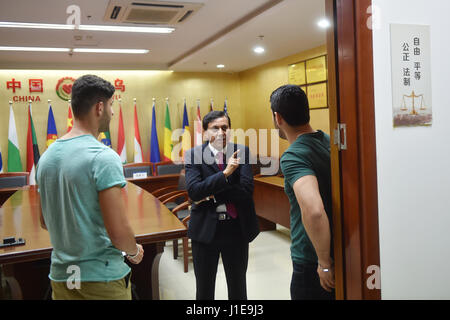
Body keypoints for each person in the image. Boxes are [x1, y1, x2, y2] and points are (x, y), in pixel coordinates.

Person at [36, 74, 144, 300]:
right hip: (101, 279)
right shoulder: (103, 156)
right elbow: (118, 232)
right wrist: (133, 251)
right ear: (99, 107)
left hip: (61, 277)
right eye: (111, 105)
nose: (113, 112)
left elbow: (44, 221)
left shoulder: (46, 158)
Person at [184, 111, 259, 300]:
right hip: (205, 230)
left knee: (238, 288)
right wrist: (225, 174)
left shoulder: (242, 151)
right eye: (215, 128)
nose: (221, 132)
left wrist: (209, 193)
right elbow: (193, 192)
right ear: (206, 132)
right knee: (204, 289)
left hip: (235, 229)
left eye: (224, 127)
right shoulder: (193, 155)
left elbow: (246, 190)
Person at [270, 84, 335, 300]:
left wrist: (324, 263)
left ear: (278, 118)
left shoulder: (294, 155)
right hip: (342, 248)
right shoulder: (331, 143)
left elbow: (314, 210)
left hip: (311, 260)